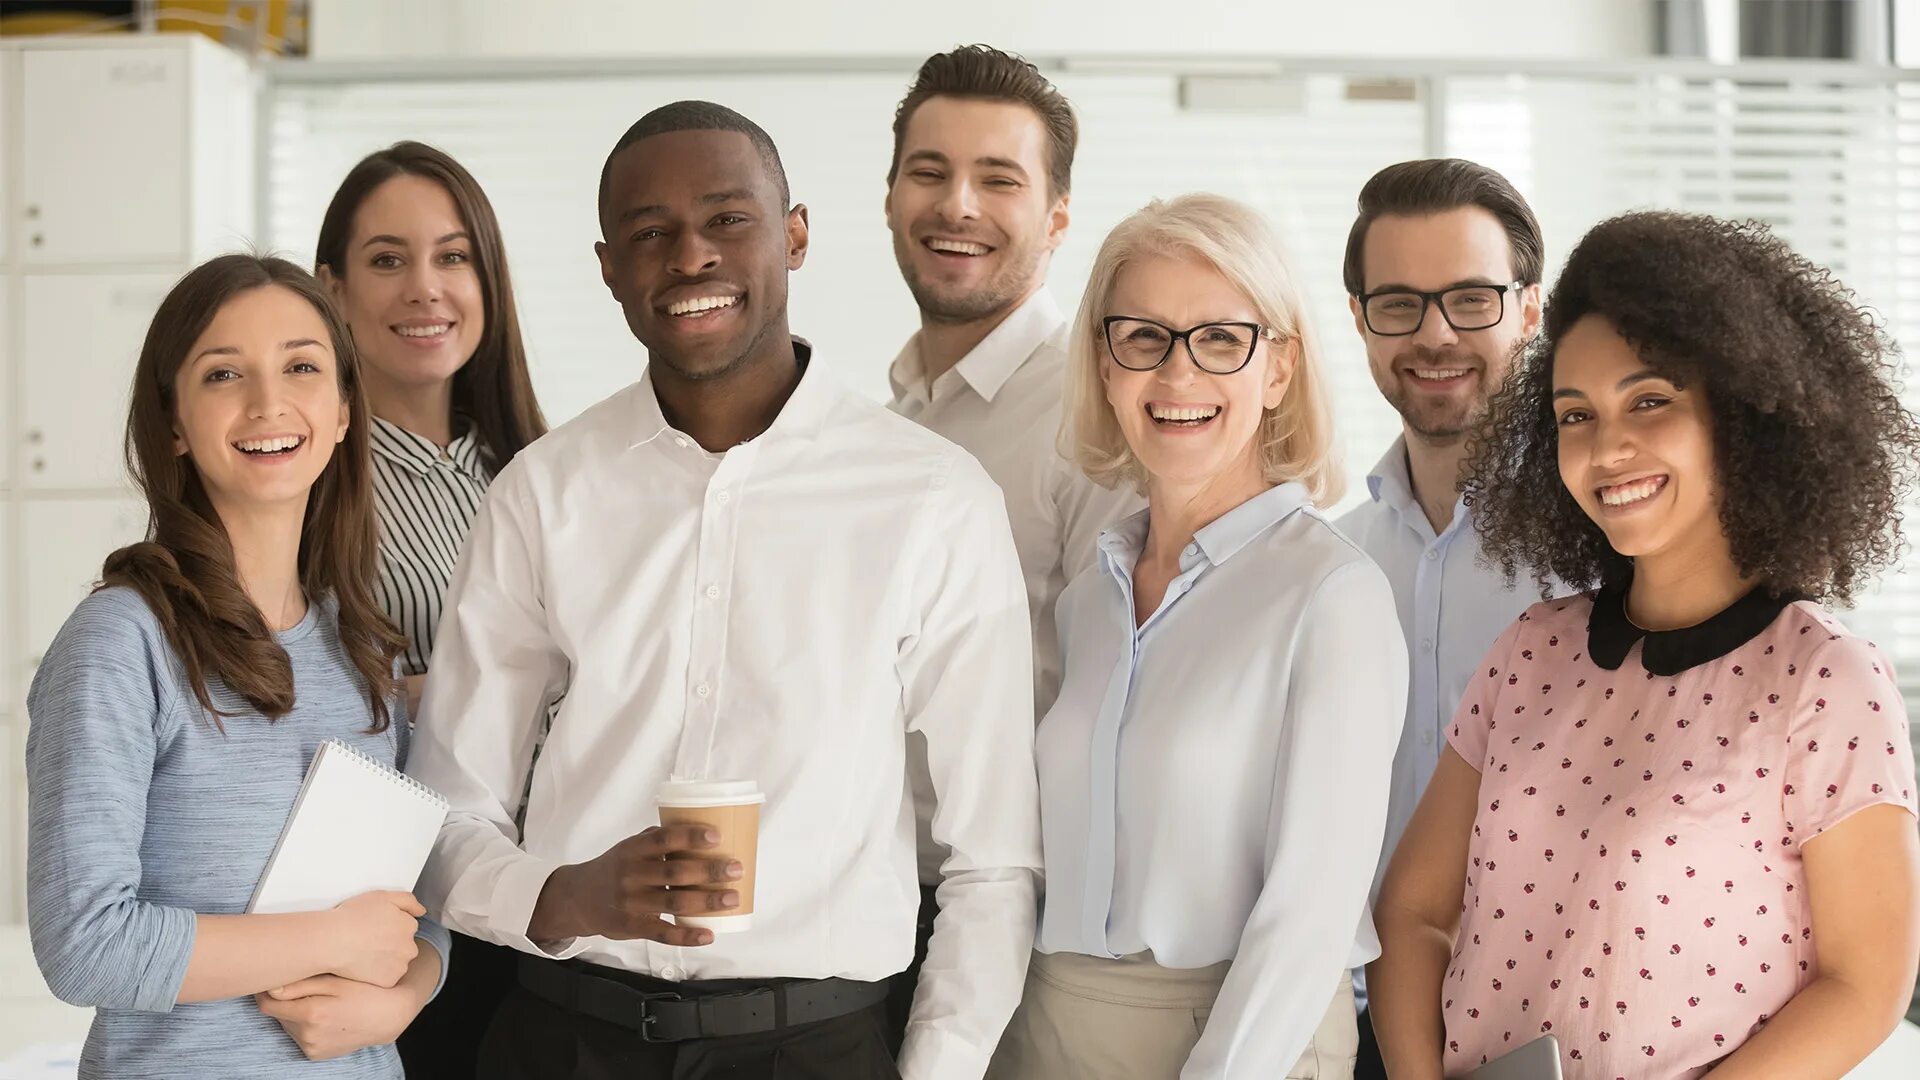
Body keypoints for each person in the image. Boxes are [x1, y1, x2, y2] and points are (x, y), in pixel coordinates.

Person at [407, 101, 1042, 1080]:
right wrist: (561, 897)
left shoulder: (932, 498)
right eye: (648, 233)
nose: (689, 255)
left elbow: (993, 862)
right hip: (560, 1041)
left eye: (726, 219)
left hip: (818, 1047)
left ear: (794, 235)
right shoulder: (542, 492)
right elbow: (448, 813)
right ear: (609, 267)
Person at [1369, 211, 1920, 1080]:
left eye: (1650, 400)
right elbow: (1413, 910)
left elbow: (1867, 982)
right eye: (1575, 415)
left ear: (1741, 414)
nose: (1607, 447)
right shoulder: (1531, 653)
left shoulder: (1822, 679)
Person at [988, 194, 1405, 1080]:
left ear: (1280, 369)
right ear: (1104, 364)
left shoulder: (1333, 596)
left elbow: (1312, 913)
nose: (1178, 376)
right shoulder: (1089, 600)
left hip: (1239, 1041)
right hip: (1047, 1031)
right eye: (1143, 337)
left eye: (1221, 339)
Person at [26, 254, 451, 1078]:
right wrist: (329, 940)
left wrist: (406, 994)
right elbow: (85, 944)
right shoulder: (122, 642)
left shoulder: (362, 649)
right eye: (225, 374)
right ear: (175, 422)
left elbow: (417, 908)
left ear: (340, 413)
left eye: (301, 366)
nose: (267, 403)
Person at [881, 43, 1141, 1044]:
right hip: (882, 907)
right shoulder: (896, 410)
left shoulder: (1093, 418)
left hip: (1019, 927)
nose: (959, 206)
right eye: (930, 172)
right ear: (893, 194)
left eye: (1000, 179)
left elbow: (1112, 711)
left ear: (1057, 218)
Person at [314, 138, 549, 1080]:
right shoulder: (309, 475)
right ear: (332, 290)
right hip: (395, 919)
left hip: (541, 907)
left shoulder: (533, 471)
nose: (425, 288)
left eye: (453, 257)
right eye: (387, 260)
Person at [1331, 158, 1554, 1078]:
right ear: (1358, 318)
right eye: (1398, 303)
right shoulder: (1329, 562)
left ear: (1531, 309)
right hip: (1350, 1028)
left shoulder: (1608, 558)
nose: (1434, 335)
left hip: (1550, 1031)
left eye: (1471, 299)